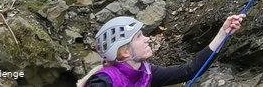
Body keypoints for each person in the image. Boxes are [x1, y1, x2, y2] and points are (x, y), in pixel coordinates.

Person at [78, 13, 246, 87]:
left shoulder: (147, 73)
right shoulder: (104, 82)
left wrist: (223, 33)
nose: (146, 39)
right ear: (124, 52)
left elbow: (191, 69)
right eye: (138, 37)